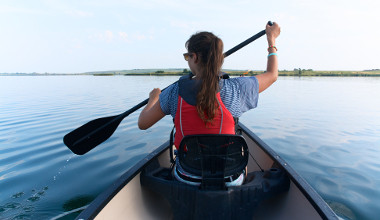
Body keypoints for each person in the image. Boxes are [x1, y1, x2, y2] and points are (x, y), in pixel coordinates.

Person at [138, 22, 280, 185]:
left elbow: (143, 123)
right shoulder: (236, 89)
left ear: (195, 57)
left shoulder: (174, 91)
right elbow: (272, 75)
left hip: (187, 177)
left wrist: (153, 98)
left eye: (187, 56)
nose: (187, 60)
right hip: (229, 179)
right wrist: (272, 40)